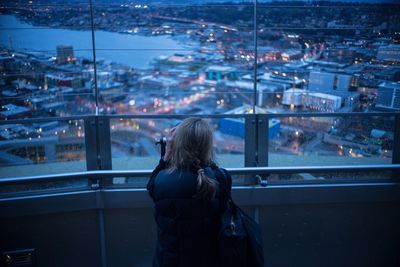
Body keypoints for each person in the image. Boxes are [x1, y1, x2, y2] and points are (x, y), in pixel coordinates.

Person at [147, 117, 232, 267]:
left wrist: (167, 155)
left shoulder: (162, 181)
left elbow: (151, 187)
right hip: (210, 260)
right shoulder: (221, 178)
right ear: (208, 146)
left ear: (176, 145)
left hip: (170, 260)